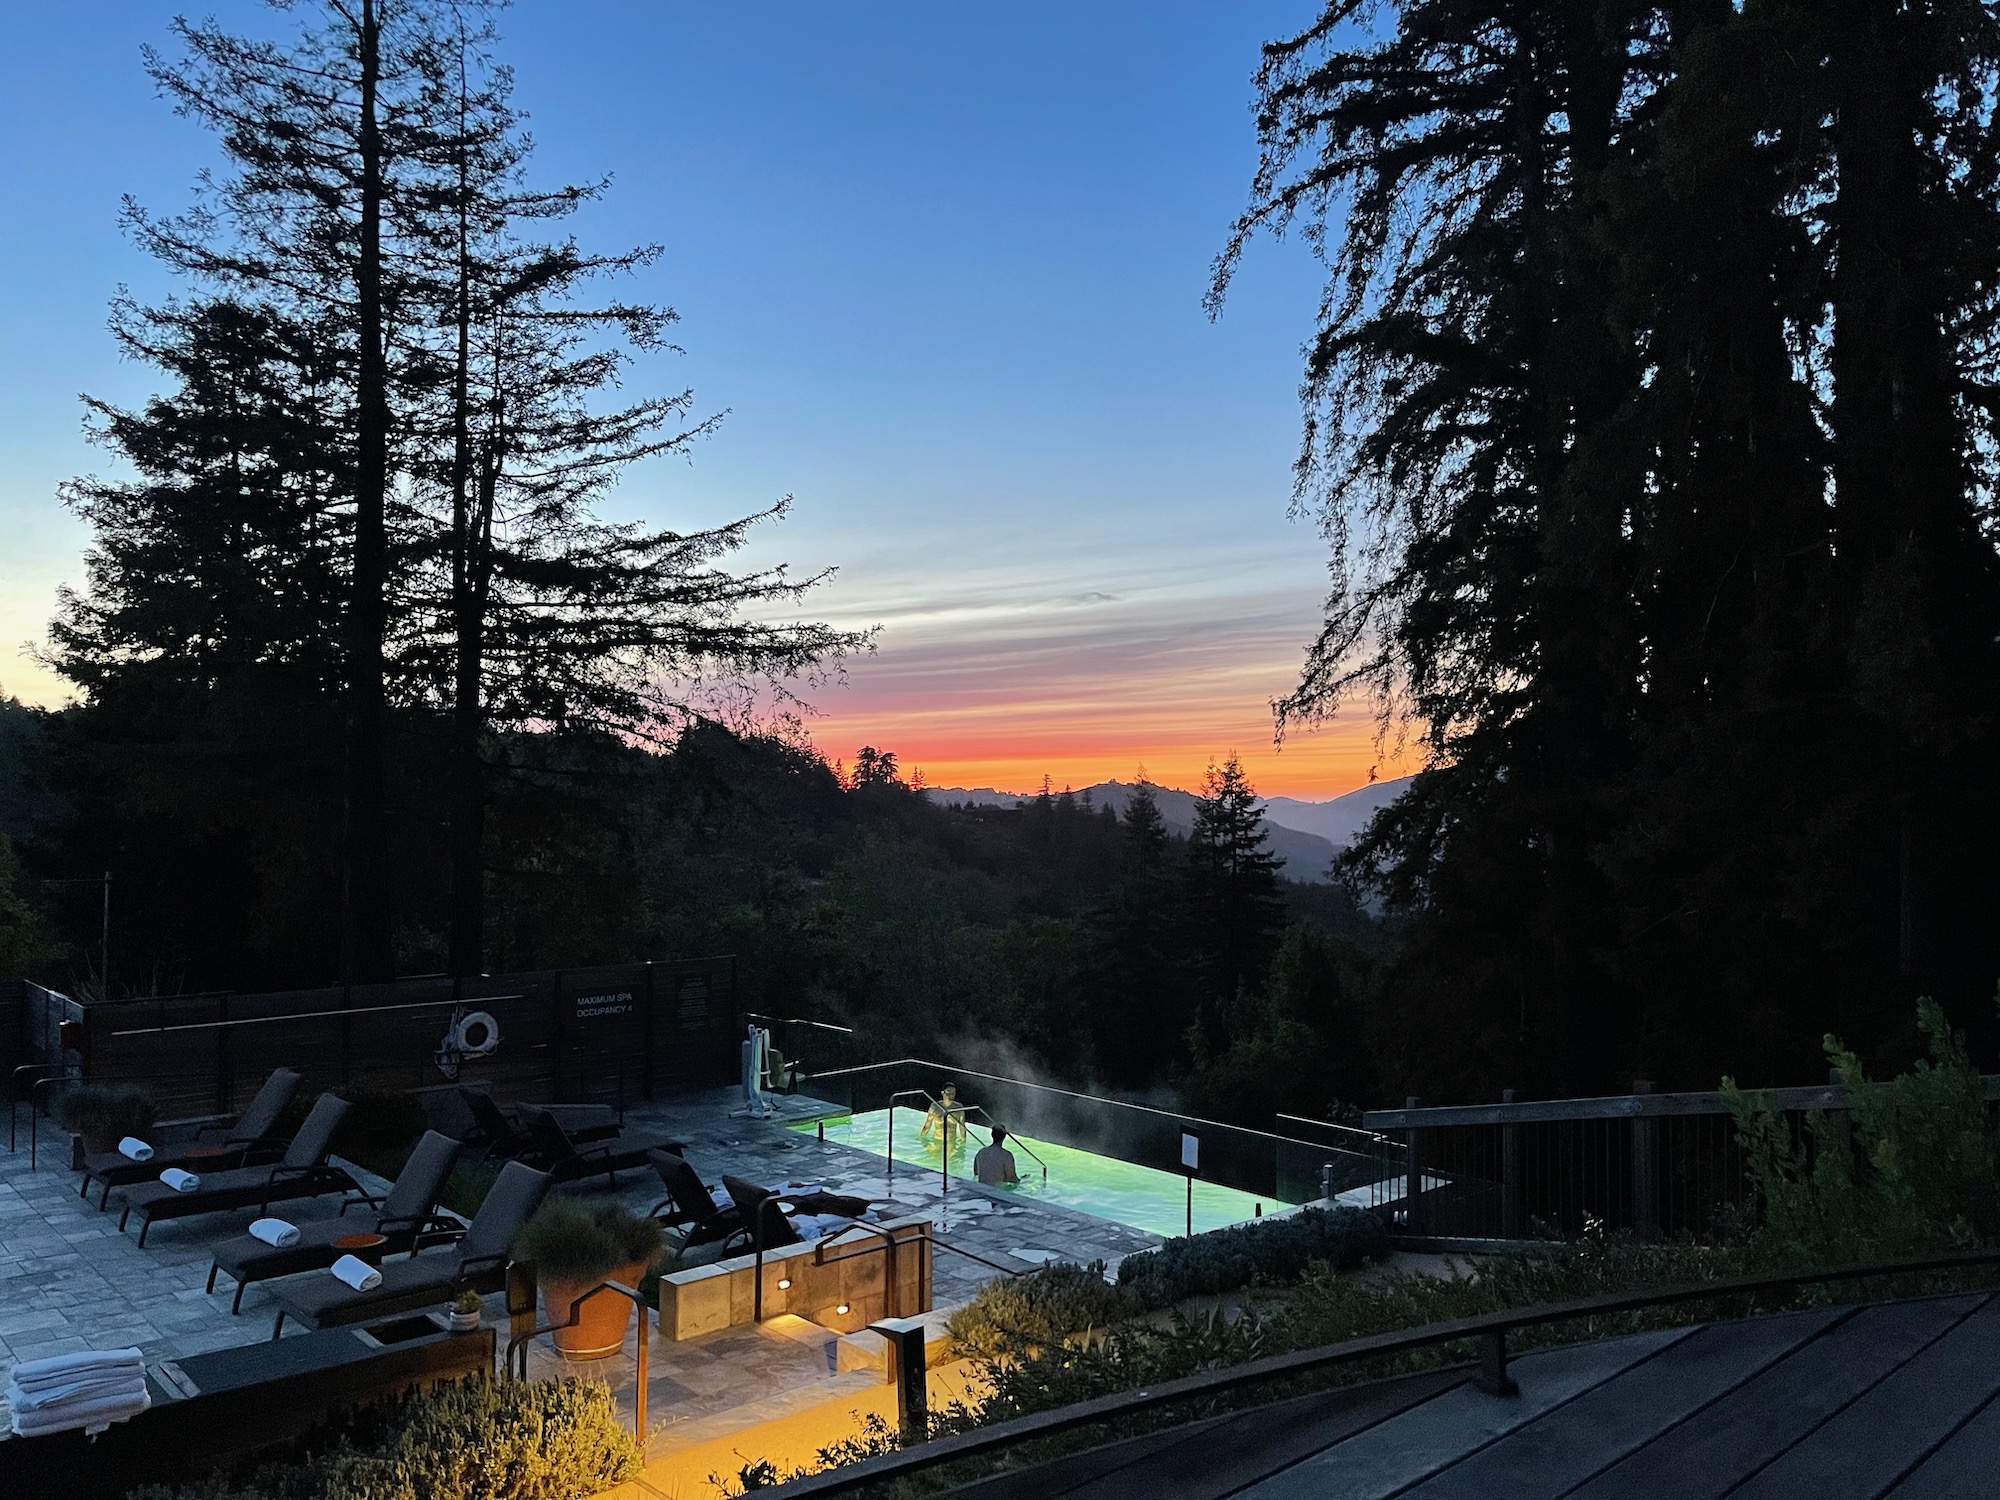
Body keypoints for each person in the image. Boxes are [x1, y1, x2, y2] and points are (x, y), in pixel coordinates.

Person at [920, 1082, 968, 1151]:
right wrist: (922, 1140)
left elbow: (962, 1126)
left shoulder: (958, 1108)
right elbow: (927, 1125)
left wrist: (963, 1143)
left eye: (953, 1092)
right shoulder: (935, 1107)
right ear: (943, 1093)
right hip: (937, 1139)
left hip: (951, 1141)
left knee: (951, 1160)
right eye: (949, 1092)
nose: (951, 1094)